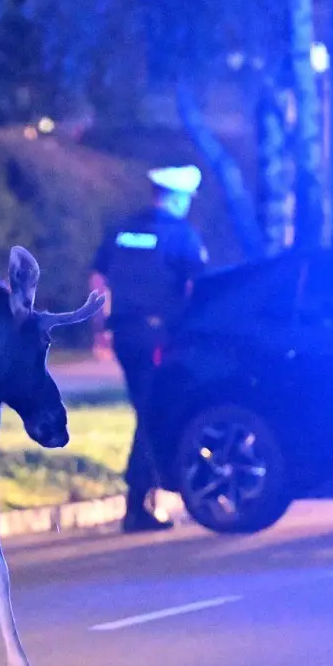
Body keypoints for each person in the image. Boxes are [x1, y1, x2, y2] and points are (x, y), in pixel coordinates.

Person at [90, 164, 209, 533]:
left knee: (146, 410)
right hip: (160, 337)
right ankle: (138, 503)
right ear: (175, 198)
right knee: (154, 414)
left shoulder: (123, 229)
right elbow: (196, 287)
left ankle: (143, 499)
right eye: (186, 199)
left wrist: (99, 328)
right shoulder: (182, 235)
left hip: (125, 334)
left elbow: (97, 279)